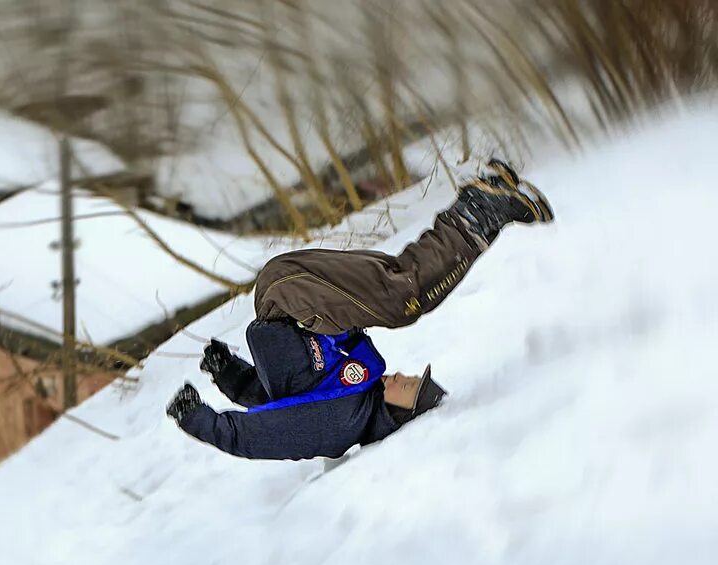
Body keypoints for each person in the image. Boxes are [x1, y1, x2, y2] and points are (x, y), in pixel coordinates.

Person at [166, 160, 554, 461]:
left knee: (403, 300)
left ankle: (482, 209)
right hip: (295, 292)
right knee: (396, 287)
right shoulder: (355, 393)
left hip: (287, 298)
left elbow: (265, 428)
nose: (404, 376)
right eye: (413, 378)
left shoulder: (338, 423)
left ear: (405, 412)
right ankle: (488, 200)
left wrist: (213, 392)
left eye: (411, 386)